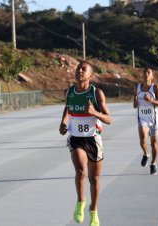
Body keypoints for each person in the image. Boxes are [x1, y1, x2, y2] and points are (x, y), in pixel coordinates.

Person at [59, 60, 112, 226]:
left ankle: (93, 210)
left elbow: (109, 119)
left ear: (91, 75)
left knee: (94, 179)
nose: (80, 71)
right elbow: (67, 108)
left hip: (93, 139)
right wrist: (63, 122)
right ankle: (80, 201)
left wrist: (94, 112)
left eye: (84, 69)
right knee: (80, 170)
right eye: (78, 69)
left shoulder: (97, 94)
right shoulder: (69, 92)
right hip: (76, 137)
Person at [133, 67, 158, 175]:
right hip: (142, 118)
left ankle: (153, 163)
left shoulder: (155, 88)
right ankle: (146, 153)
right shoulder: (138, 87)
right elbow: (135, 105)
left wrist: (150, 100)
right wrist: (136, 102)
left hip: (153, 119)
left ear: (152, 76)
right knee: (142, 139)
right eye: (144, 72)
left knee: (154, 144)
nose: (146, 74)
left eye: (148, 72)